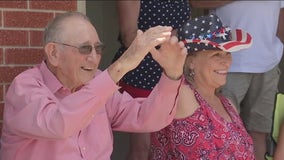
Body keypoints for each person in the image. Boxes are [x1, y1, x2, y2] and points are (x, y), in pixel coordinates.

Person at [0, 11, 188, 160]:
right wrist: (122, 65)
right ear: (54, 53)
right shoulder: (25, 87)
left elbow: (147, 118)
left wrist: (172, 74)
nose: (94, 57)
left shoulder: (98, 82)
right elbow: (59, 124)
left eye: (98, 48)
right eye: (85, 48)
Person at [149, 14, 255, 160]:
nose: (226, 62)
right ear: (191, 61)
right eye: (217, 55)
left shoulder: (227, 103)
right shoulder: (183, 95)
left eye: (227, 53)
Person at [190, 1, 284, 159]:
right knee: (221, 133)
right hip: (226, 62)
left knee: (259, 133)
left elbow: (281, 19)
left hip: (268, 62)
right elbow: (196, 2)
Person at [112, 1, 191, 159]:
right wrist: (174, 37)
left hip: (173, 70)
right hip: (143, 72)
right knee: (143, 148)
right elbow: (129, 37)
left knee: (170, 143)